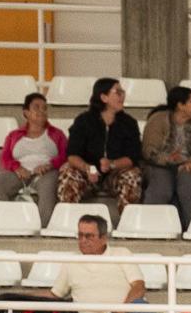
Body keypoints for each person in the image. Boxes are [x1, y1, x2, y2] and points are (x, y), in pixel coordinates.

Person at [50, 213, 163, 313]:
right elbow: (54, 294)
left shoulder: (121, 253)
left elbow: (139, 288)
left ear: (103, 238)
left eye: (89, 236)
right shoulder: (70, 263)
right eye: (80, 235)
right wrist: (18, 297)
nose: (83, 240)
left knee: (141, 306)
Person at [57, 77, 143, 215]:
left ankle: (127, 223)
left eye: (123, 92)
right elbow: (72, 155)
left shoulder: (129, 123)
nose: (122, 95)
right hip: (87, 172)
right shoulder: (83, 121)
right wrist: (88, 168)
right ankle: (68, 219)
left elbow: (133, 157)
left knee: (132, 175)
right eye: (118, 92)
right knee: (68, 172)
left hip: (115, 173)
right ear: (104, 97)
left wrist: (112, 164)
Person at [140, 83, 191, 228]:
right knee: (161, 186)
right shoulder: (157, 119)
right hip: (160, 166)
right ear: (180, 105)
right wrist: (167, 159)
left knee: (188, 184)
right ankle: (149, 228)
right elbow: (149, 149)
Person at [0, 91, 66, 226]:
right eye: (36, 107)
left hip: (47, 172)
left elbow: (65, 156)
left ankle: (42, 226)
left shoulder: (57, 134)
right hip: (20, 172)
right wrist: (16, 167)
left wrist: (50, 165)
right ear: (26, 113)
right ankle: (3, 223)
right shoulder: (14, 135)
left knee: (48, 185)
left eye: (44, 108)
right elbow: (5, 157)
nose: (42, 111)